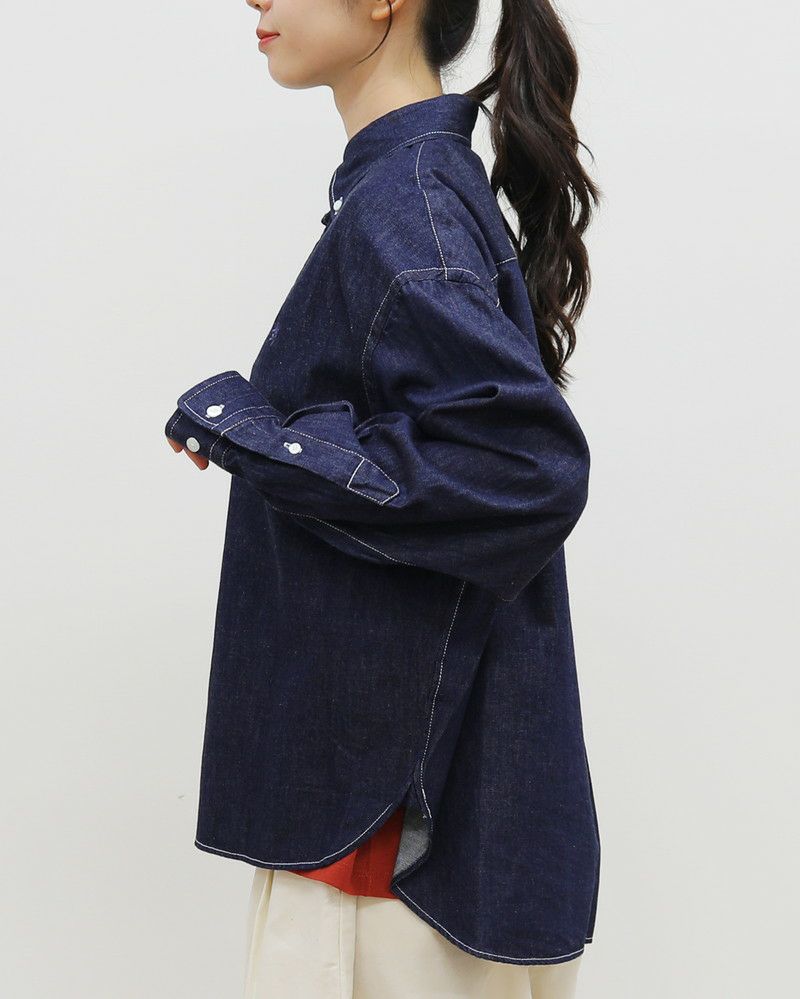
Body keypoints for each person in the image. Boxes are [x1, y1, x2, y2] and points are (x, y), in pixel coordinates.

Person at [164, 1, 600, 996]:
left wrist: (250, 428)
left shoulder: (406, 203)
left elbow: (523, 468)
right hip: (396, 823)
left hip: (380, 856)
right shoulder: (411, 191)